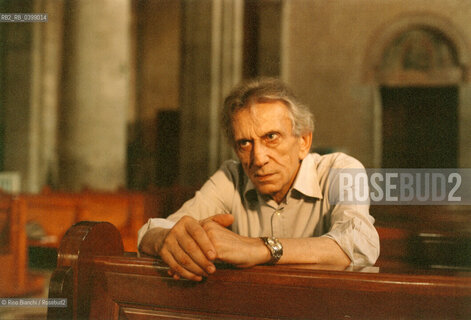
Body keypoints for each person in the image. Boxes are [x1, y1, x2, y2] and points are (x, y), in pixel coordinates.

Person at [138, 77, 380, 281]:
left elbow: (359, 244)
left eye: (271, 137)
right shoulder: (231, 176)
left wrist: (259, 248)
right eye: (245, 143)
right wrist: (165, 241)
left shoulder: (341, 169)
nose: (258, 158)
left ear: (303, 142)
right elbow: (157, 229)